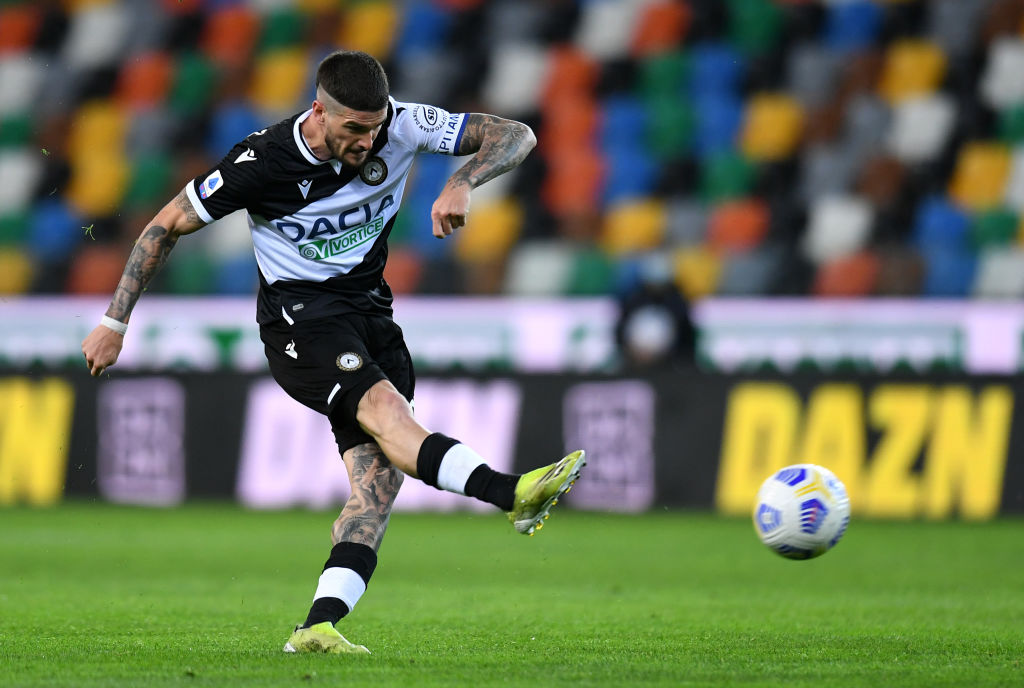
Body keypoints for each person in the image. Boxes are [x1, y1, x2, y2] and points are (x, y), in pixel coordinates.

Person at [81, 50, 585, 655]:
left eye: (375, 129)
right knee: (390, 418)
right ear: (319, 112)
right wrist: (115, 320)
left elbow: (517, 134)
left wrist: (461, 179)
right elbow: (164, 225)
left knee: (375, 489)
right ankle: (514, 494)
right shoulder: (262, 160)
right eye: (354, 129)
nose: (369, 142)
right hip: (303, 322)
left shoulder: (401, 123)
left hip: (372, 315)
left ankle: (316, 626)